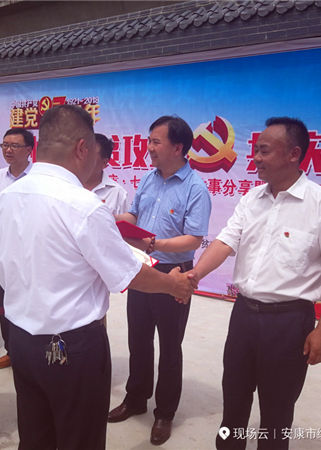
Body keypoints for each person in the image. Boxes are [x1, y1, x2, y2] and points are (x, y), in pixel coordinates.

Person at [0, 105, 195, 450]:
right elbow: (128, 274)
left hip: (21, 341)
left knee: (35, 436)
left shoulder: (7, 197)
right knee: (80, 439)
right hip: (71, 349)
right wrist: (172, 283)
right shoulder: (83, 205)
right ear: (82, 148)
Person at [188, 117, 321, 449]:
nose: (256, 158)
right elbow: (225, 242)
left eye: (264, 151)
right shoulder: (251, 199)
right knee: (233, 402)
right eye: (256, 150)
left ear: (293, 154)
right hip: (244, 316)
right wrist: (194, 275)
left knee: (277, 413)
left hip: (289, 324)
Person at [109, 115, 212, 446]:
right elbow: (134, 214)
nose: (149, 147)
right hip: (142, 268)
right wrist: (113, 219)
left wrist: (154, 244)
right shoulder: (148, 179)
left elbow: (194, 238)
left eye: (156, 141)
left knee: (170, 345)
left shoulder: (195, 188)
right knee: (138, 338)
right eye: (149, 141)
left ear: (177, 147)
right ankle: (136, 399)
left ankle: (165, 412)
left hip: (174, 274)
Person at [0, 128, 34, 370]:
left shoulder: (37, 177)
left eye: (14, 145)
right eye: (5, 145)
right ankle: (11, 351)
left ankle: (30, 352)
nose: (8, 150)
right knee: (4, 305)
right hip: (3, 252)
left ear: (29, 150)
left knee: (29, 304)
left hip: (29, 254)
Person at [83, 133, 130, 215]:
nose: (83, 159)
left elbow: (125, 222)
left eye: (90, 156)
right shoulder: (68, 185)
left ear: (104, 163)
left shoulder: (117, 194)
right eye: (82, 153)